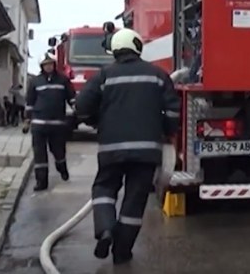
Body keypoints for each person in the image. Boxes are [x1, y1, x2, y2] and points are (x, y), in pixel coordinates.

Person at [75, 28, 181, 266]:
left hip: (111, 149)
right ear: (137, 46)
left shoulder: (104, 75)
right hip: (146, 151)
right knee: (135, 199)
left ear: (115, 50)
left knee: (104, 189)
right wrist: (165, 130)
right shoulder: (157, 75)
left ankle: (105, 230)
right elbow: (173, 109)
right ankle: (122, 251)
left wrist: (95, 121)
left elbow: (82, 106)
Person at [25, 54, 75, 192]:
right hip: (39, 123)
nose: (48, 67)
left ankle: (62, 167)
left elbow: (71, 97)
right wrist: (27, 120)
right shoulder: (36, 81)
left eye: (51, 64)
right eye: (46, 64)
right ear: (42, 66)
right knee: (39, 154)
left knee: (58, 151)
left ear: (54, 65)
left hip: (57, 124)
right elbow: (30, 102)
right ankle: (41, 182)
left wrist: (78, 110)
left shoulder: (63, 80)